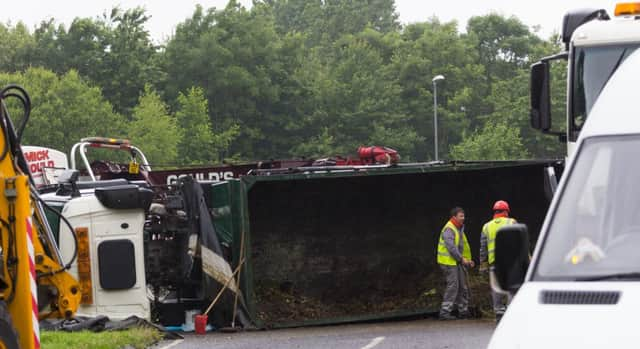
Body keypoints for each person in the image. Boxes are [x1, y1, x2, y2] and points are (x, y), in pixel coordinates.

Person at [480, 200, 517, 322]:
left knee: (496, 287)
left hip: (494, 261)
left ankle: (498, 313)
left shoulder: (486, 226)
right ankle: (511, 312)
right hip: (509, 260)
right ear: (506, 211)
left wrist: (483, 265)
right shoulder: (511, 222)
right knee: (511, 286)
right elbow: (519, 242)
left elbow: (483, 248)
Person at [437, 207, 474, 320]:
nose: (463, 218)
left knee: (462, 286)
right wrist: (462, 259)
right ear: (454, 217)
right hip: (448, 262)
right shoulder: (449, 228)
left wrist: (467, 260)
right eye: (461, 216)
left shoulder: (459, 228)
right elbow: (451, 247)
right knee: (453, 286)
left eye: (464, 216)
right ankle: (444, 312)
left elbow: (463, 247)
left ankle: (463, 311)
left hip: (457, 261)